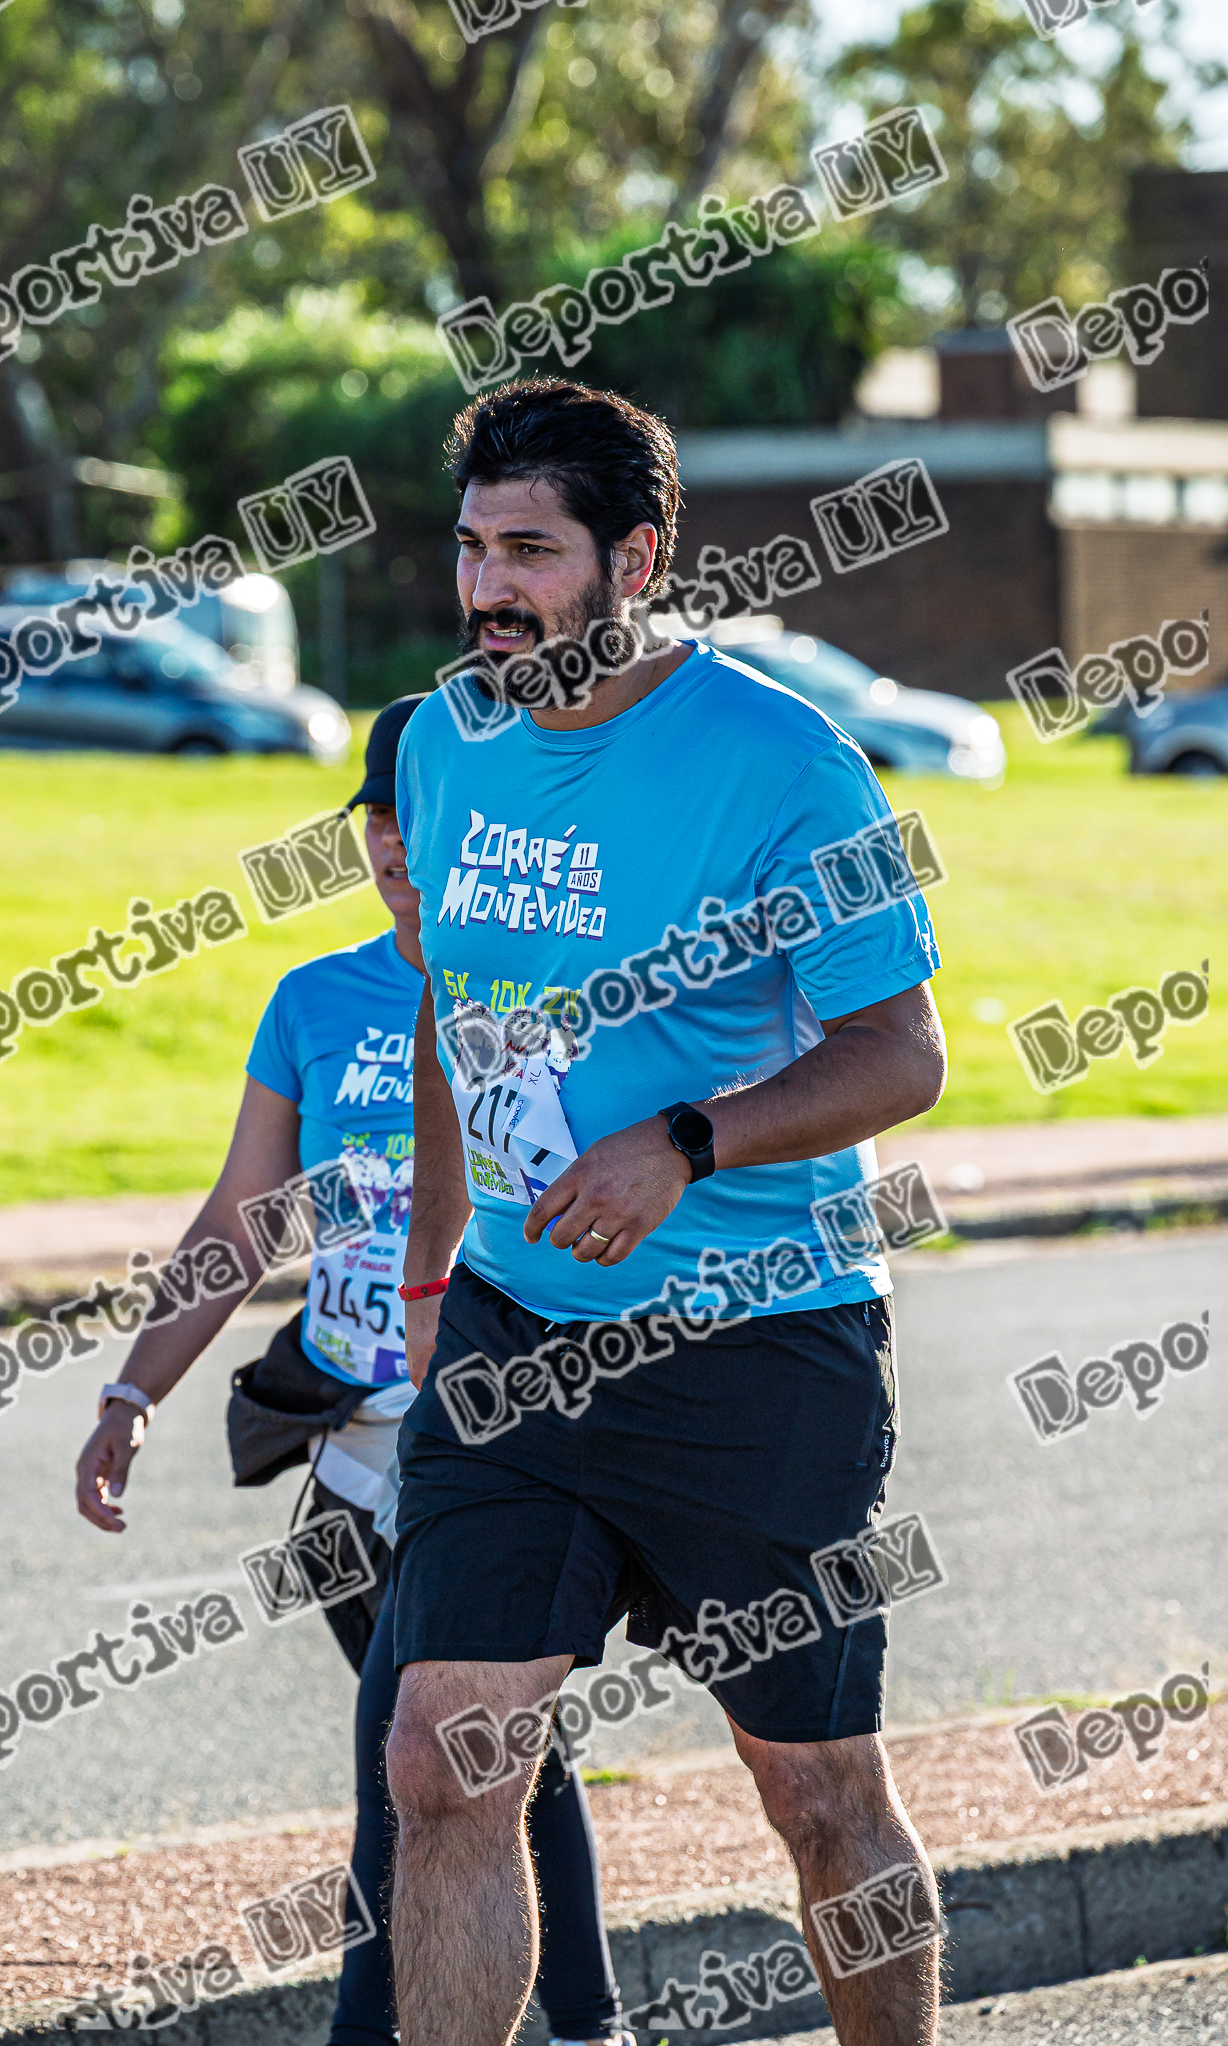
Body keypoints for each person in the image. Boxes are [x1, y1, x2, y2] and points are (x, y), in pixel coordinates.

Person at [386, 377, 950, 2046]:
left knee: (818, 1798)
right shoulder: (440, 743)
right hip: (516, 1335)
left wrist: (687, 1144)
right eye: (473, 548)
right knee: (442, 1768)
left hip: (755, 1348)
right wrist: (430, 1271)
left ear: (636, 560)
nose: (489, 589)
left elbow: (902, 1054)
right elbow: (450, 1012)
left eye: (532, 552)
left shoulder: (788, 764)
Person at [74, 695, 627, 2046]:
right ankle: (590, 2025)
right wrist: (131, 1394)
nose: (392, 844)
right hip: (346, 1465)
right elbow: (237, 1222)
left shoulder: (560, 991)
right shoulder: (312, 1002)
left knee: (417, 1765)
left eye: (417, 819)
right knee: (472, 1762)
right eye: (377, 819)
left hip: (490, 1447)